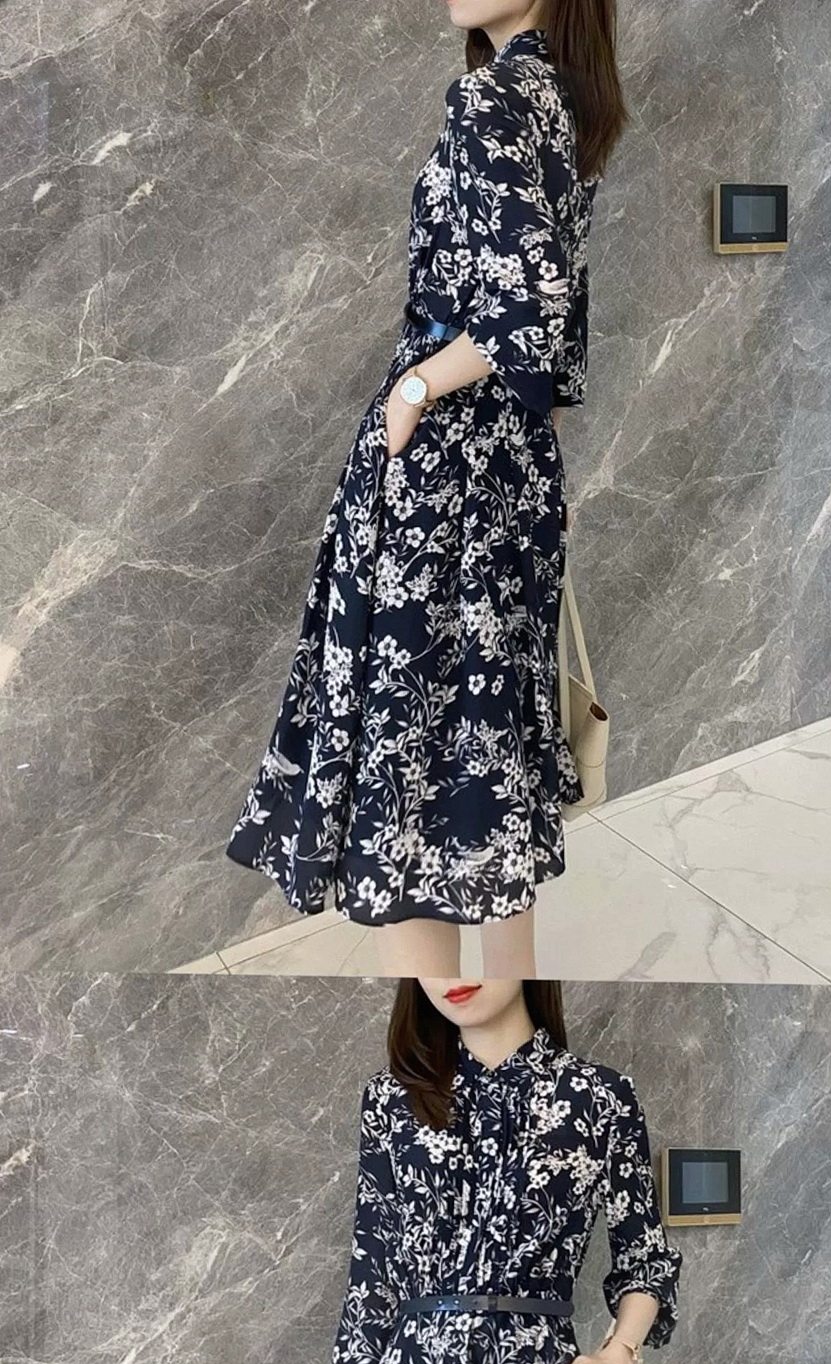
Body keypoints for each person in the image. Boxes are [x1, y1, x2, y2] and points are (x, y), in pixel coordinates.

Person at [225, 2, 630, 978]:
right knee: (485, 750)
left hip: (442, 468)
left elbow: (527, 307)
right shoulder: (564, 99)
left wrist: (414, 392)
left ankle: (453, 1023)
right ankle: (502, 1020)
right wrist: (539, 455)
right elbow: (560, 324)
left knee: (407, 756)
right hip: (513, 461)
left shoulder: (492, 96)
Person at [329, 979, 682, 1364]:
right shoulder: (390, 1097)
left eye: (474, 946)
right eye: (436, 956)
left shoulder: (600, 1097)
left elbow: (646, 1258)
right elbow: (372, 1265)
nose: (452, 974)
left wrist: (618, 1360)